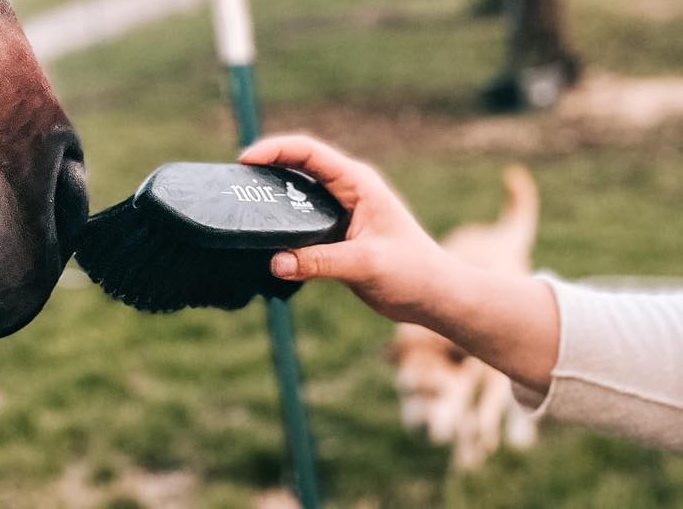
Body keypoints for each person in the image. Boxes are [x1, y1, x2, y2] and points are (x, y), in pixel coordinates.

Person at [240, 134, 683, 450]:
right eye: (414, 394)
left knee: (506, 373)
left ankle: (513, 423)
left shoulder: (466, 357)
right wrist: (436, 292)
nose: (418, 409)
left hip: (495, 264)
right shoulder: (408, 340)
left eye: (427, 394)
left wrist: (481, 424)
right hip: (464, 280)